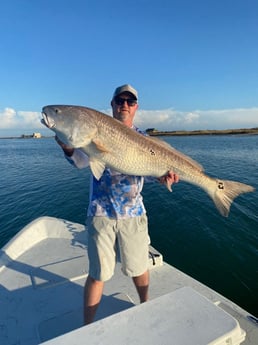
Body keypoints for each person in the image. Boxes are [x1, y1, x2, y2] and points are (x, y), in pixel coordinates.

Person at [56, 84, 179, 324]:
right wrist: (69, 147)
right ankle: (87, 325)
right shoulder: (94, 131)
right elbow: (81, 162)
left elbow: (153, 172)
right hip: (100, 212)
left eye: (129, 101)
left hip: (133, 213)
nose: (124, 104)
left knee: (139, 267)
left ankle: (146, 304)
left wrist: (165, 178)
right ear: (112, 104)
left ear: (136, 107)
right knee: (98, 273)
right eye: (119, 100)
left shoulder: (144, 139)